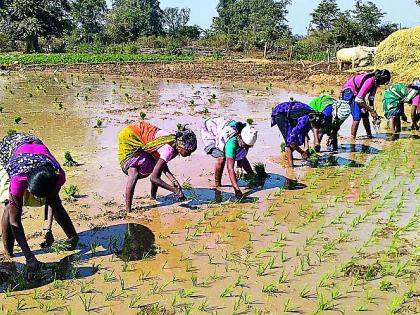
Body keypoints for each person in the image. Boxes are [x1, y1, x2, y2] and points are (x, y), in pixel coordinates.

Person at [0, 133, 78, 272]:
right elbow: (15, 221)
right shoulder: (18, 179)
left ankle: (73, 238)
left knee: (56, 202)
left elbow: (52, 199)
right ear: (28, 187)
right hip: (9, 149)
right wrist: (29, 257)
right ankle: (9, 253)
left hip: (35, 147)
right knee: (9, 207)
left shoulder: (58, 174)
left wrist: (46, 229)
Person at [118, 121, 197, 213]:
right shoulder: (168, 150)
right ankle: (128, 210)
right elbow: (154, 178)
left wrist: (172, 179)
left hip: (141, 131)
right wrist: (175, 190)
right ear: (180, 146)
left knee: (155, 165)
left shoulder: (174, 142)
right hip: (130, 134)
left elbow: (161, 163)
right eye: (188, 151)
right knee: (133, 172)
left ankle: (153, 197)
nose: (189, 155)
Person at [201, 117, 258, 198]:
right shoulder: (231, 143)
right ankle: (217, 184)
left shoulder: (247, 135)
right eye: (245, 146)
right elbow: (230, 168)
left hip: (223, 127)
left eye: (248, 147)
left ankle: (252, 176)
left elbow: (242, 154)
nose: (246, 148)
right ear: (240, 138)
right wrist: (237, 190)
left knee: (239, 153)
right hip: (211, 129)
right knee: (222, 158)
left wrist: (239, 166)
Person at [271, 101, 329, 167]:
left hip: (291, 111)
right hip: (281, 113)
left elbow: (305, 133)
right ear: (313, 124)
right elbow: (291, 142)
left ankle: (285, 156)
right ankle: (290, 167)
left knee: (299, 138)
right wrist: (302, 152)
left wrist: (307, 149)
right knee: (288, 140)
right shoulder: (303, 122)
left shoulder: (315, 116)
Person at [340, 69, 391, 139]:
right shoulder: (370, 81)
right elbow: (358, 100)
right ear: (381, 79)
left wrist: (372, 110)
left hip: (358, 93)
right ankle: (352, 138)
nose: (384, 83)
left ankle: (369, 135)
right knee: (357, 116)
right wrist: (371, 111)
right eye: (384, 81)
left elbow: (371, 98)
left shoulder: (375, 83)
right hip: (349, 91)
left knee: (365, 114)